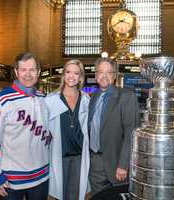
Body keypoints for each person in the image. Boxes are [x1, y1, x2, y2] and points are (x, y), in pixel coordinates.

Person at [0, 52, 52, 200]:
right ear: (16, 72)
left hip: (41, 177)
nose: (28, 74)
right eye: (23, 70)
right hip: (12, 180)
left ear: (38, 72)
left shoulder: (43, 98)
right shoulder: (2, 99)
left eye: (32, 70)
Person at [88, 57, 140, 196]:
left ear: (115, 76)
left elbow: (132, 132)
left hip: (116, 163)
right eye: (100, 72)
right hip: (95, 163)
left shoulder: (126, 96)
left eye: (109, 72)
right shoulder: (92, 97)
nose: (104, 76)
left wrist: (123, 165)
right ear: (95, 75)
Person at [44, 59, 90, 200]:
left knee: (75, 195)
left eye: (76, 73)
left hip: (79, 157)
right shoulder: (51, 99)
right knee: (57, 195)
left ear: (81, 77)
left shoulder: (86, 99)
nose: (72, 76)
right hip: (58, 156)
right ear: (63, 74)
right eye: (68, 72)